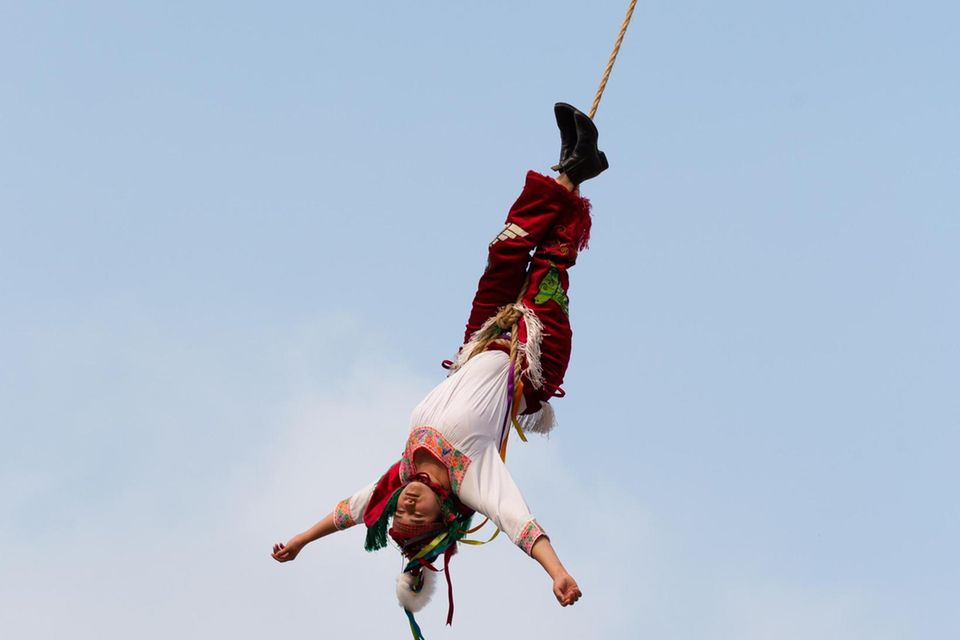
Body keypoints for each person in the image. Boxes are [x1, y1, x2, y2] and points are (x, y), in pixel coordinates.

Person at [271, 103, 608, 637]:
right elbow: (517, 522)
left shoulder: (399, 474)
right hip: (532, 356)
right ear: (443, 515)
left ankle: (572, 167)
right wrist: (557, 572)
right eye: (416, 515)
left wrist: (298, 541)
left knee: (504, 253)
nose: (405, 504)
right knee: (548, 261)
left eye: (399, 513)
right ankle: (576, 169)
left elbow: (350, 512)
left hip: (483, 338)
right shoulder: (472, 479)